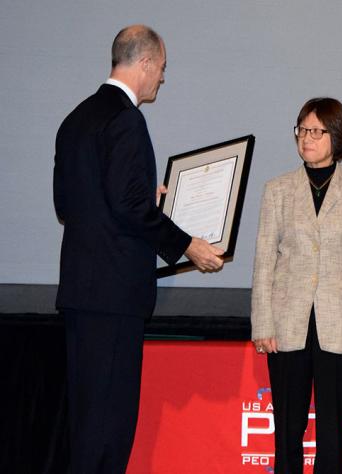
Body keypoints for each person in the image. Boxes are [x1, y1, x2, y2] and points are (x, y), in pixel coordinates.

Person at [53, 25, 224, 473]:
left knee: (87, 424)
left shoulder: (76, 118)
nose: (161, 79)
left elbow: (69, 204)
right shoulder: (127, 120)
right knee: (109, 430)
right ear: (145, 63)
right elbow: (127, 208)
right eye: (162, 68)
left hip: (80, 294)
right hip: (113, 299)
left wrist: (140, 200)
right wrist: (188, 245)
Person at [251, 97, 342, 474]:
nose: (307, 138)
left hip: (341, 325)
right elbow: (264, 261)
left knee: (333, 437)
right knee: (287, 435)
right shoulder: (277, 190)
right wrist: (263, 323)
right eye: (302, 130)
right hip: (286, 324)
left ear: (337, 135)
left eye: (316, 131)